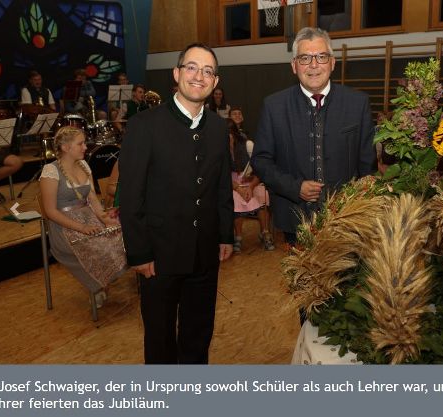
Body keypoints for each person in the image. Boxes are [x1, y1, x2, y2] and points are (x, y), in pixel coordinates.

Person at [119, 43, 234, 364]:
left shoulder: (218, 126)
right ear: (177, 73)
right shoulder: (145, 126)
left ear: (215, 81)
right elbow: (130, 196)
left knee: (198, 335)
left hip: (204, 253)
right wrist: (139, 253)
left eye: (207, 71)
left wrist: (225, 234)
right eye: (192, 68)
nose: (199, 76)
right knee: (160, 340)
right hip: (158, 258)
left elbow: (222, 186)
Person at [252, 27, 375, 246]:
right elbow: (261, 161)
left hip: (347, 221)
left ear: (333, 63)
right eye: (305, 58)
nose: (314, 65)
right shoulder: (274, 106)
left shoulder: (358, 104)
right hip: (295, 221)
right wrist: (294, 187)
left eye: (321, 56)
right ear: (294, 66)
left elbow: (367, 167)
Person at [39, 126, 127, 307]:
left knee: (122, 236)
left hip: (89, 220)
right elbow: (50, 212)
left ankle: (100, 284)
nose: (85, 147)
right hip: (64, 227)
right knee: (100, 247)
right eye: (80, 143)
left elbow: (92, 199)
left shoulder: (84, 165)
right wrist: (82, 228)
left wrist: (104, 218)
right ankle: (97, 286)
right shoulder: (51, 171)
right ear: (65, 147)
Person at [228, 118, 274, 252]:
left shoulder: (248, 145)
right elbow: (222, 175)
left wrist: (251, 186)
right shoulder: (219, 151)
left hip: (252, 180)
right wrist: (238, 189)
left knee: (262, 195)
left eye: (229, 134)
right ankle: (238, 237)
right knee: (234, 199)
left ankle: (265, 232)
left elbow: (261, 169)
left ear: (234, 134)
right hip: (232, 183)